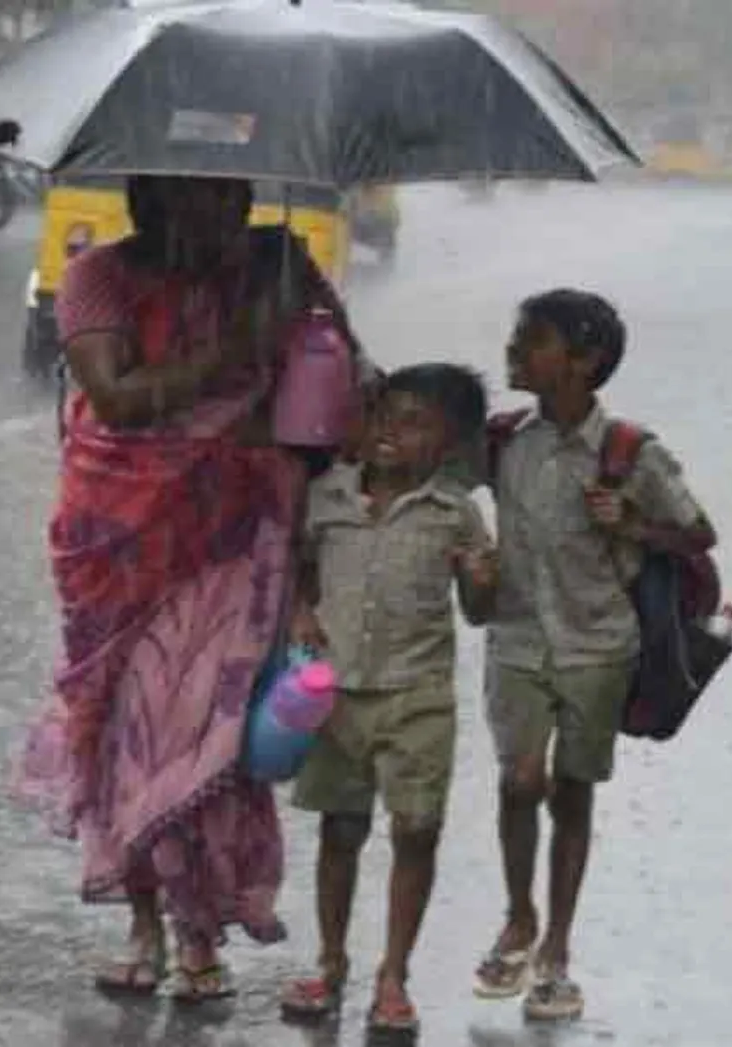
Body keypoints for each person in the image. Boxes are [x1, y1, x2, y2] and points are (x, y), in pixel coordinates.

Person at [13, 175, 360, 1003]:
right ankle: (143, 920)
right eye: (197, 197)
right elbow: (116, 397)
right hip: (121, 539)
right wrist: (235, 350)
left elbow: (340, 380)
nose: (223, 213)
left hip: (239, 534)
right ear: (152, 200)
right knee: (130, 728)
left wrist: (295, 368)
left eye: (233, 196)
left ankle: (198, 930)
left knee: (209, 727)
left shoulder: (278, 265)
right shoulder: (101, 275)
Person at [472, 289, 714, 1022]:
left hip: (599, 645)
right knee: (520, 779)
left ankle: (557, 951)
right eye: (516, 336)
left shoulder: (630, 452)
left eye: (532, 339)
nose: (514, 350)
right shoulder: (504, 439)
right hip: (516, 640)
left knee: (574, 790)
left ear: (585, 361)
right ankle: (519, 917)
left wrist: (635, 522)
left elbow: (698, 532)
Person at [277, 363, 498, 1036]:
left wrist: (483, 578)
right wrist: (300, 613)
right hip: (336, 697)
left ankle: (394, 972)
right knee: (340, 830)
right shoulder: (328, 497)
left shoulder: (456, 511)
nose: (389, 433)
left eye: (413, 422)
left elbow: (481, 608)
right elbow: (295, 568)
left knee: (416, 829)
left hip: (418, 698)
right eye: (382, 416)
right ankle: (332, 958)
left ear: (449, 444)